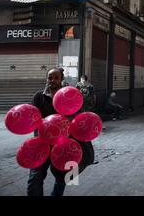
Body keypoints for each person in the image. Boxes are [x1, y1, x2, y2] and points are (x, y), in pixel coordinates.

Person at [28, 68, 94, 196]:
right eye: (50, 77)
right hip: (41, 144)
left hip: (63, 145)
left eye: (56, 78)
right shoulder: (38, 97)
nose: (52, 80)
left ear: (61, 80)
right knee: (35, 178)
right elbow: (32, 118)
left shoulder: (68, 97)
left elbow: (77, 119)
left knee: (63, 178)